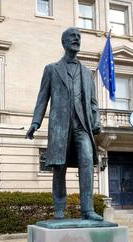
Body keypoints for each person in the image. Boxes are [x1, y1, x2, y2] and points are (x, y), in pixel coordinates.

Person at [26, 27, 103, 221]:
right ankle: (59, 208)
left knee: (86, 160)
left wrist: (96, 120)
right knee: (59, 167)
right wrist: (35, 122)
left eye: (79, 37)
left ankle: (87, 209)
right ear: (64, 42)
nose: (77, 39)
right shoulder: (52, 69)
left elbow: (93, 102)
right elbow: (42, 99)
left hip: (82, 125)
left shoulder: (87, 73)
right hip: (59, 126)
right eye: (72, 37)